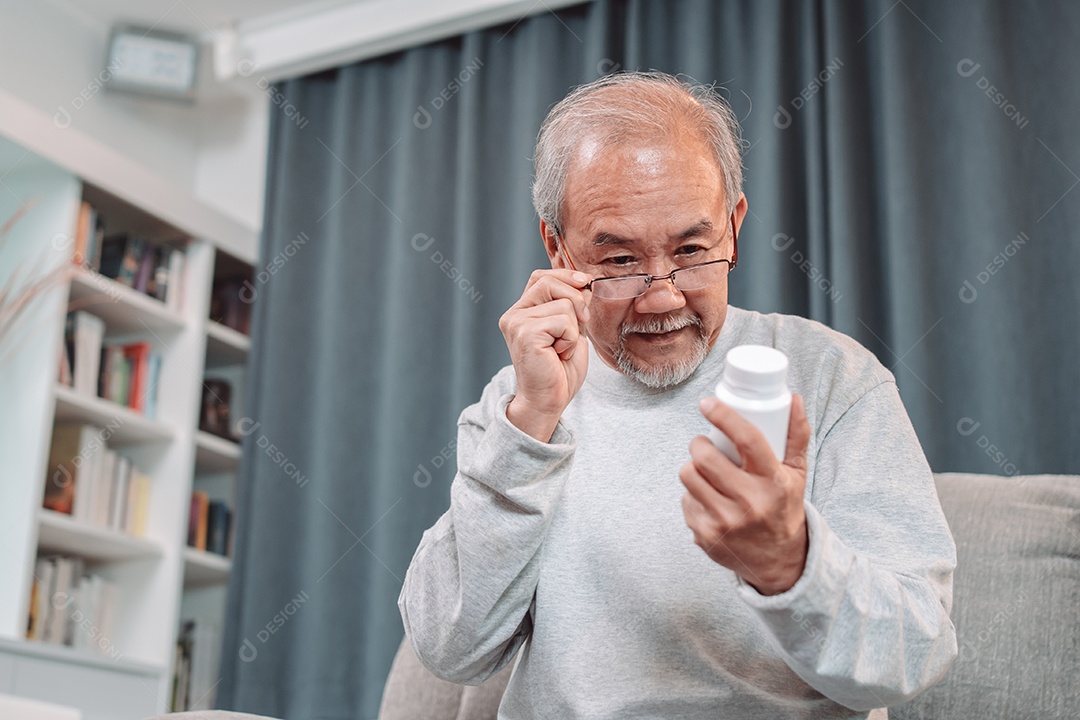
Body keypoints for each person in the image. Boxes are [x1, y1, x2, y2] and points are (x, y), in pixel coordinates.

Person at [399, 71, 957, 719]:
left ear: (734, 227)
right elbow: (449, 649)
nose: (662, 296)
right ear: (557, 249)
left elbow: (914, 658)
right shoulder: (522, 397)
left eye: (692, 250)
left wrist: (791, 564)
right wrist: (528, 429)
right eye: (618, 262)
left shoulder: (833, 376)